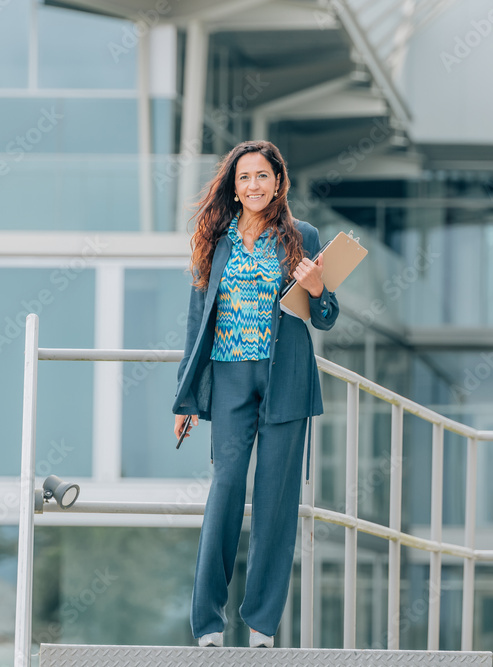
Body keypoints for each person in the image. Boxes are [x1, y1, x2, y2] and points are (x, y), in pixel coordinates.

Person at [171, 140, 339, 648]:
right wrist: (185, 400)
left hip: (286, 378)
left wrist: (316, 288)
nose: (254, 185)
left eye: (262, 176)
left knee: (276, 501)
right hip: (229, 379)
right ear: (234, 186)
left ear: (278, 181)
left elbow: (327, 318)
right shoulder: (214, 240)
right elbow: (197, 323)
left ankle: (263, 625)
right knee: (225, 491)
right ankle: (208, 624)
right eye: (244, 178)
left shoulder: (301, 236)